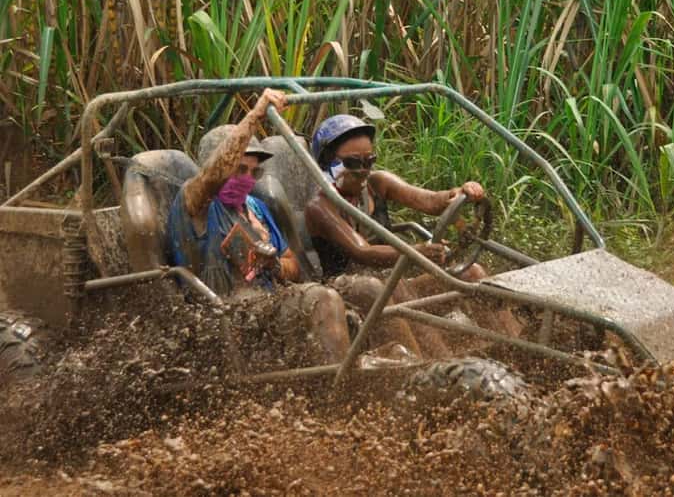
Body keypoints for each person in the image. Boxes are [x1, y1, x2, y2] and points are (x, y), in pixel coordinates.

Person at [304, 115, 522, 353]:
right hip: (351, 298)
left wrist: (458, 192)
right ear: (329, 163)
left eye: (370, 160)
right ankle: (440, 365)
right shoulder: (320, 207)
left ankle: (516, 348)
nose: (364, 170)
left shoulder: (377, 183)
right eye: (354, 163)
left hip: (394, 284)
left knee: (471, 273)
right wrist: (417, 252)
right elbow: (363, 251)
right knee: (393, 286)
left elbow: (429, 200)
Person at [167, 89, 350, 365]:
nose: (248, 179)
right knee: (322, 299)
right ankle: (341, 390)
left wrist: (274, 265)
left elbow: (292, 264)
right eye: (240, 170)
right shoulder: (197, 204)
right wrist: (255, 114)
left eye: (255, 172)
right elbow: (214, 175)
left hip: (266, 302)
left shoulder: (255, 208)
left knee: (363, 290)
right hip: (226, 315)